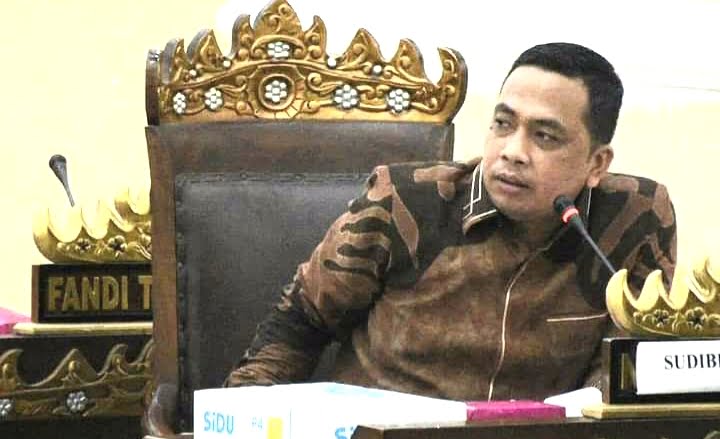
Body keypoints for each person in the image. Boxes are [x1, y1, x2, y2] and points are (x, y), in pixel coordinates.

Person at [225, 42, 676, 401]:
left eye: (544, 136)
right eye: (503, 124)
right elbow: (299, 323)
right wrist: (241, 418)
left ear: (597, 164)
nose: (513, 152)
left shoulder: (632, 220)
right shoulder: (404, 203)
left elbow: (623, 378)